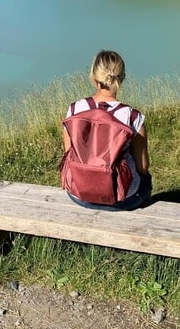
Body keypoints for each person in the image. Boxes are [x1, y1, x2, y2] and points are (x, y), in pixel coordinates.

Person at [62, 49, 152, 210]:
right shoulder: (132, 116)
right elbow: (142, 167)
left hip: (79, 193)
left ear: (94, 78)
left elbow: (69, 151)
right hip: (121, 199)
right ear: (121, 78)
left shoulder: (74, 109)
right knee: (146, 179)